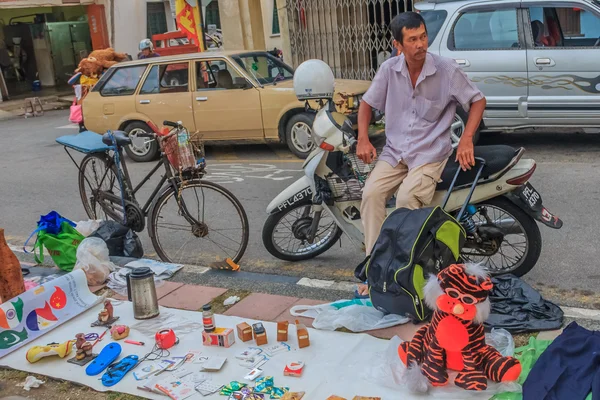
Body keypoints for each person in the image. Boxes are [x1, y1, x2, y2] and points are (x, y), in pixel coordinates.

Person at [355, 12, 486, 296]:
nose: (420, 44)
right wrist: (363, 138)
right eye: (412, 39)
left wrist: (466, 139)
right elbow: (367, 104)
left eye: (423, 36)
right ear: (398, 44)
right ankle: (375, 270)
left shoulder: (446, 70)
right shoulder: (389, 70)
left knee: (405, 200)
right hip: (395, 152)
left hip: (430, 153)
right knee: (371, 194)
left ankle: (402, 271)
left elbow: (477, 100)